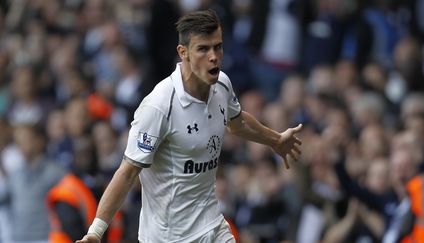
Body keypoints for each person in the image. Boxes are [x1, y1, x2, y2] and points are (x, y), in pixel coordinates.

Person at [77, 9, 302, 243]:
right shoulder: (159, 107)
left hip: (212, 226)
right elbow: (127, 173)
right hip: (168, 237)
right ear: (183, 53)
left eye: (218, 47)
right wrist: (96, 231)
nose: (214, 56)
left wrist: (275, 139)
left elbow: (238, 122)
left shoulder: (222, 84)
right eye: (203, 49)